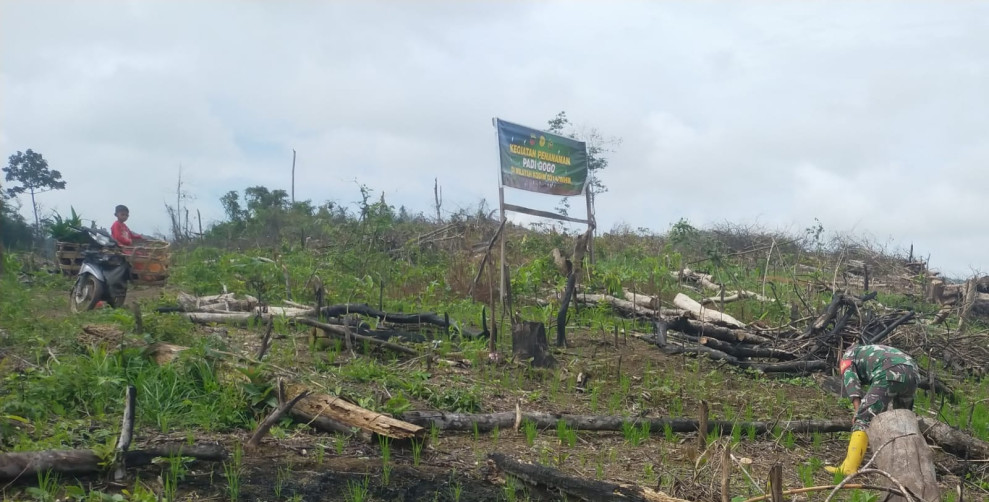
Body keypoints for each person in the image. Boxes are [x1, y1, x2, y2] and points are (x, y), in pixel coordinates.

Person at [826, 343, 919, 475]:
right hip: (913, 372)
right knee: (902, 422)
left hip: (889, 371)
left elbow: (852, 383)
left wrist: (858, 411)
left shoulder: (847, 357)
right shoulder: (870, 351)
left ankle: (849, 468)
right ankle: (907, 468)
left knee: (863, 418)